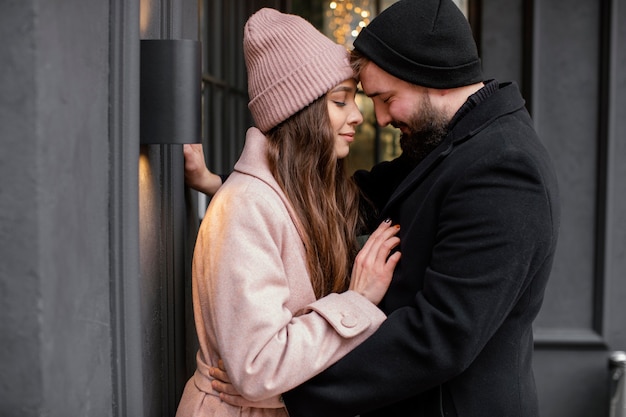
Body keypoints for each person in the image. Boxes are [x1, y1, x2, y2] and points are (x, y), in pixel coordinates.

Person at [201, 0, 561, 416]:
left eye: (386, 98)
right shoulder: (448, 140)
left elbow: (440, 336)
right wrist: (230, 189)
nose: (381, 118)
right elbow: (346, 201)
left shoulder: (503, 167)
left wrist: (288, 388)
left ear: (433, 78)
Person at [175, 8, 402, 417]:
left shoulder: (307, 197)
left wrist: (277, 392)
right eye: (339, 101)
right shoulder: (247, 206)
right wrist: (358, 300)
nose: (357, 116)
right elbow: (259, 367)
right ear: (299, 113)